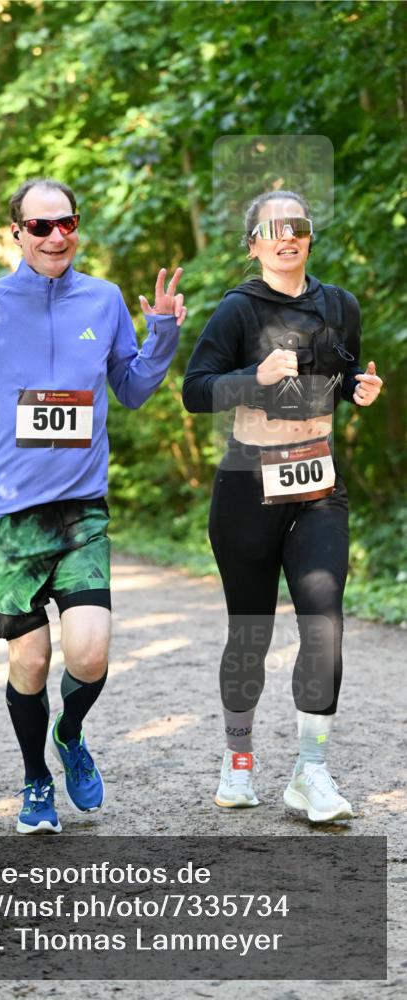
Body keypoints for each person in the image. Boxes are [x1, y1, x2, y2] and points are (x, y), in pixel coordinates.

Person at [0, 178, 186, 834]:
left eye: (66, 223)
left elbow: (135, 387)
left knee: (89, 656)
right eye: (40, 227)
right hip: (6, 515)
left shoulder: (104, 298)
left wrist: (164, 333)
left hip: (80, 509)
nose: (56, 236)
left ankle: (70, 734)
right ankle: (35, 779)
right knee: (29, 662)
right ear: (16, 233)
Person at [182, 191, 382, 823]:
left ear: (309, 237)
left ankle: (310, 772)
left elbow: (339, 378)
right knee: (252, 631)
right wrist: (254, 379)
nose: (286, 237)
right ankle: (239, 760)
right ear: (254, 244)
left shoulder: (339, 306)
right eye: (273, 229)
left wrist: (359, 389)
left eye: (297, 226)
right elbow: (195, 391)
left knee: (323, 622)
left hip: (318, 483)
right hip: (247, 484)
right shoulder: (238, 311)